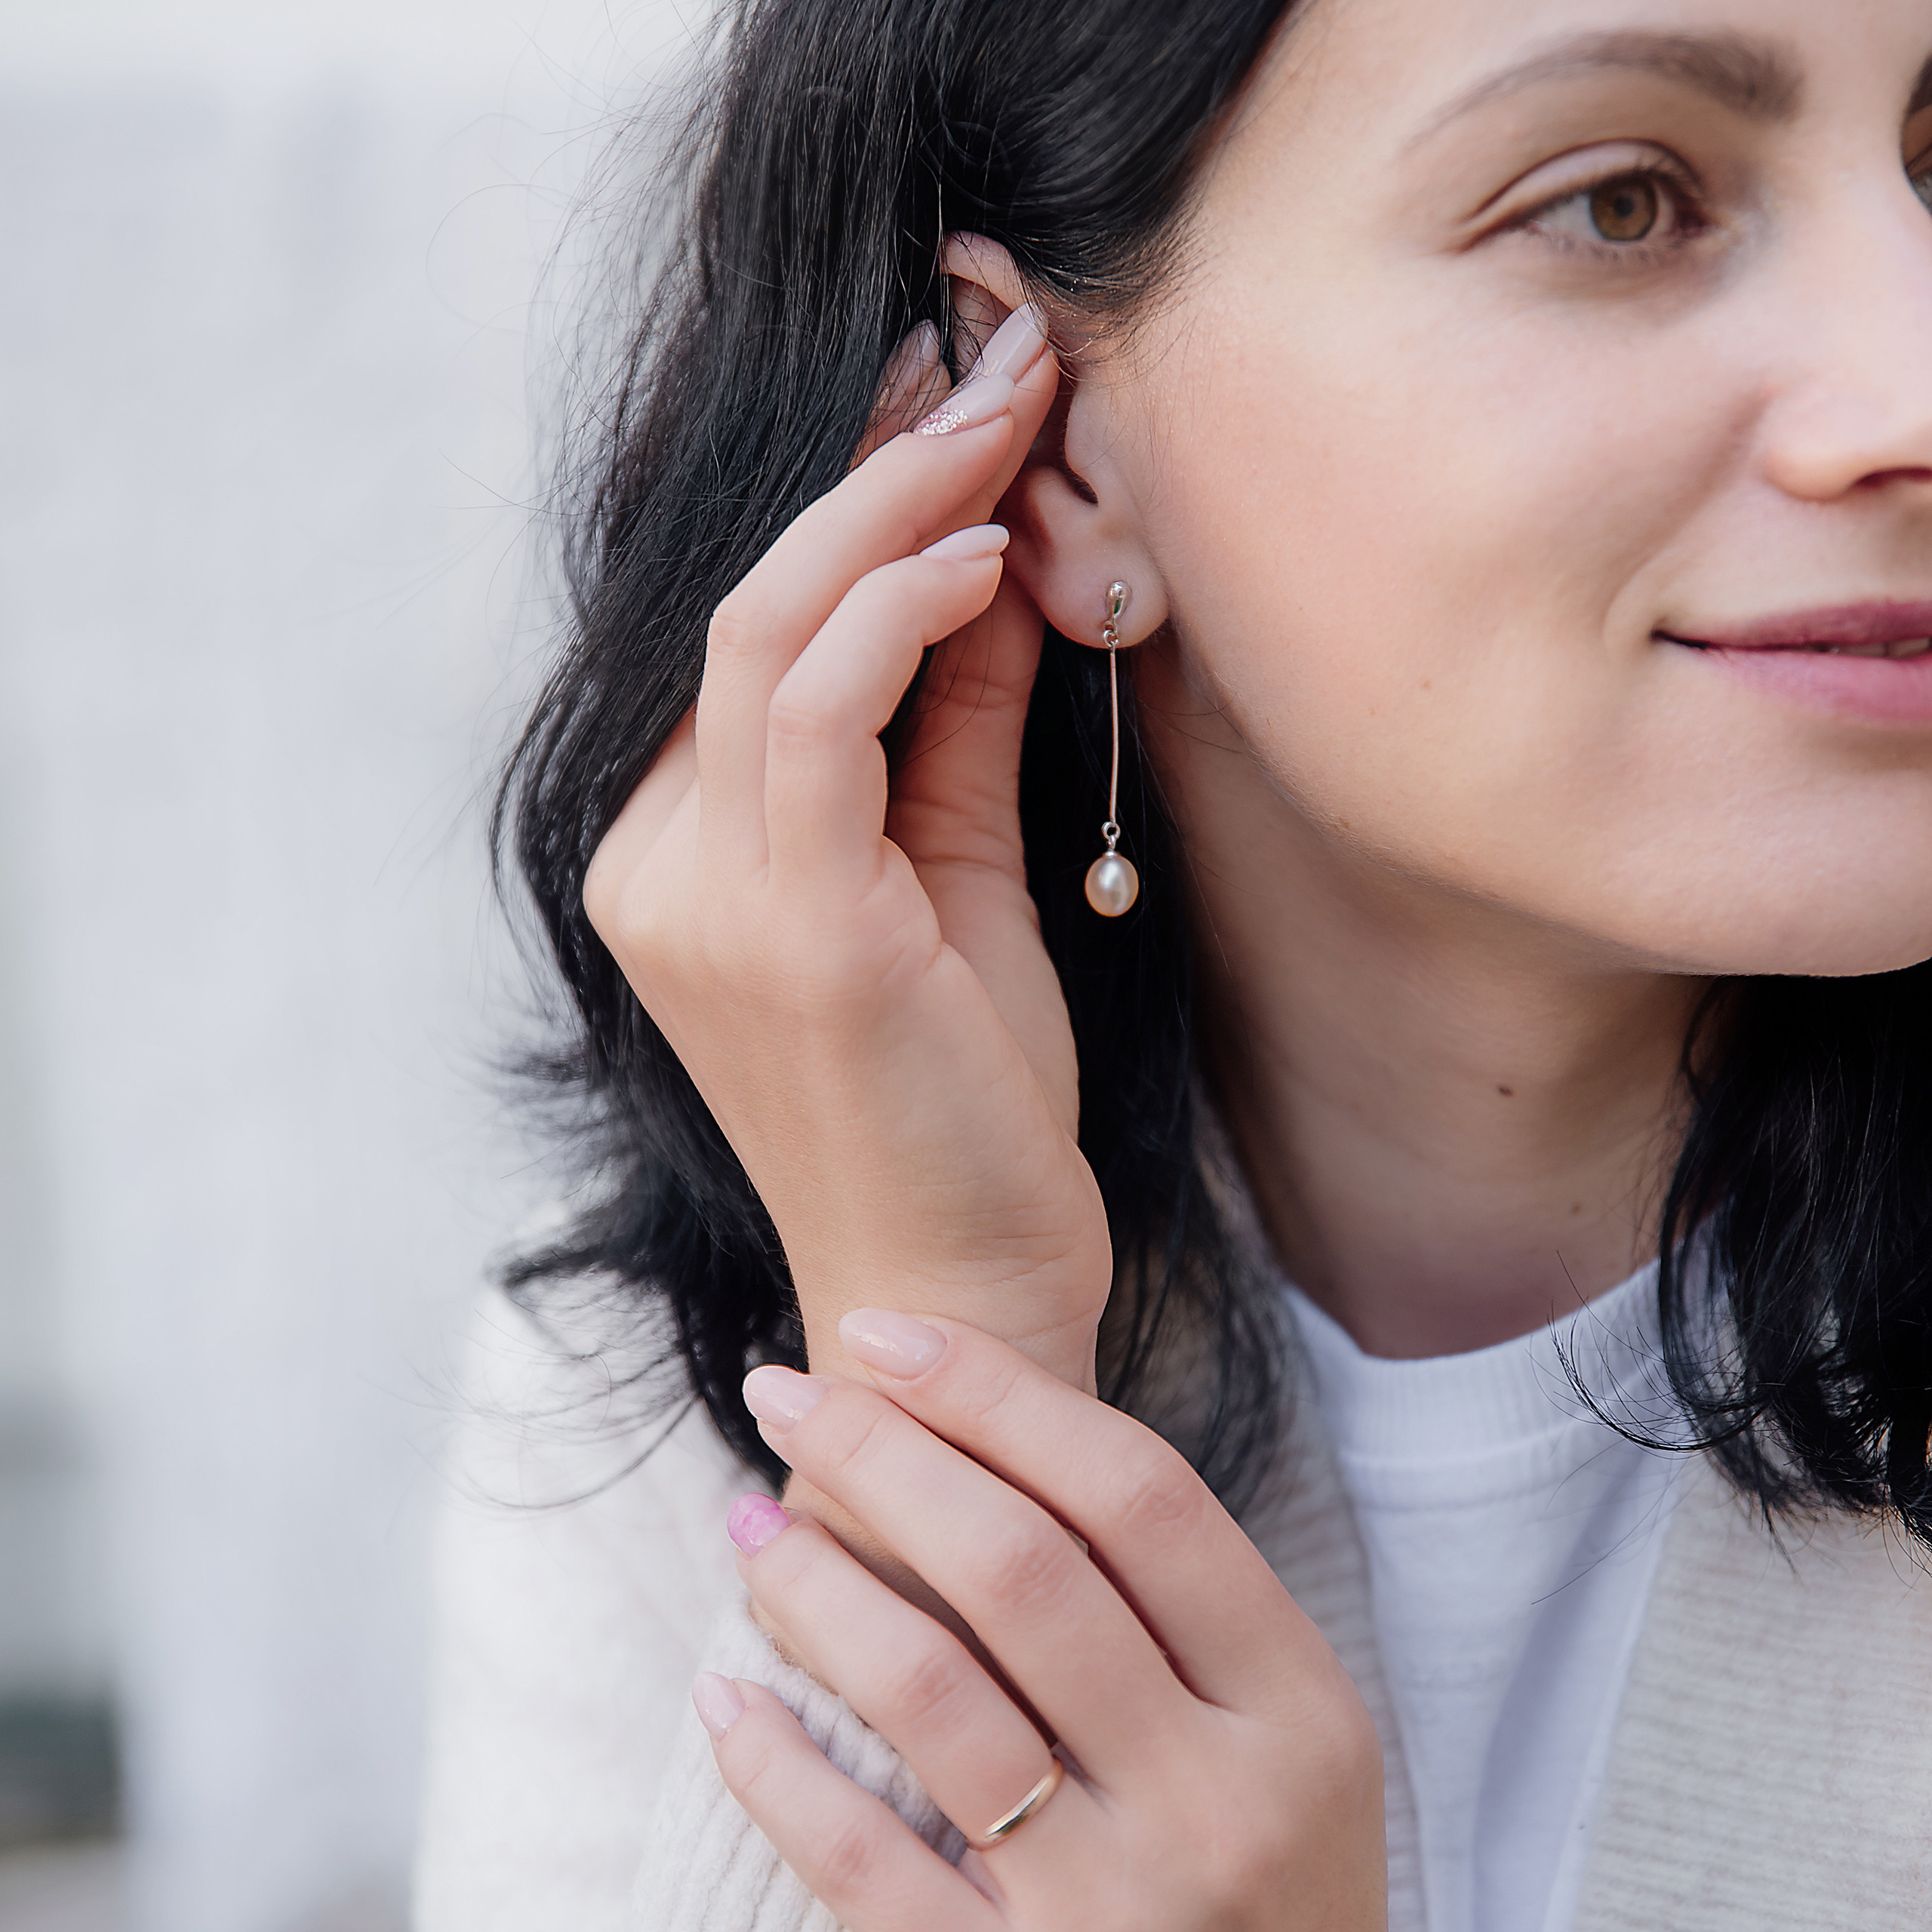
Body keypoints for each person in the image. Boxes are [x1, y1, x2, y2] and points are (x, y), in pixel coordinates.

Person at [416, 0, 1932, 1926]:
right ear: (1047, 451)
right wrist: (940, 1343)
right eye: (1619, 203)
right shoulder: (661, 1378)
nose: (1911, 383)